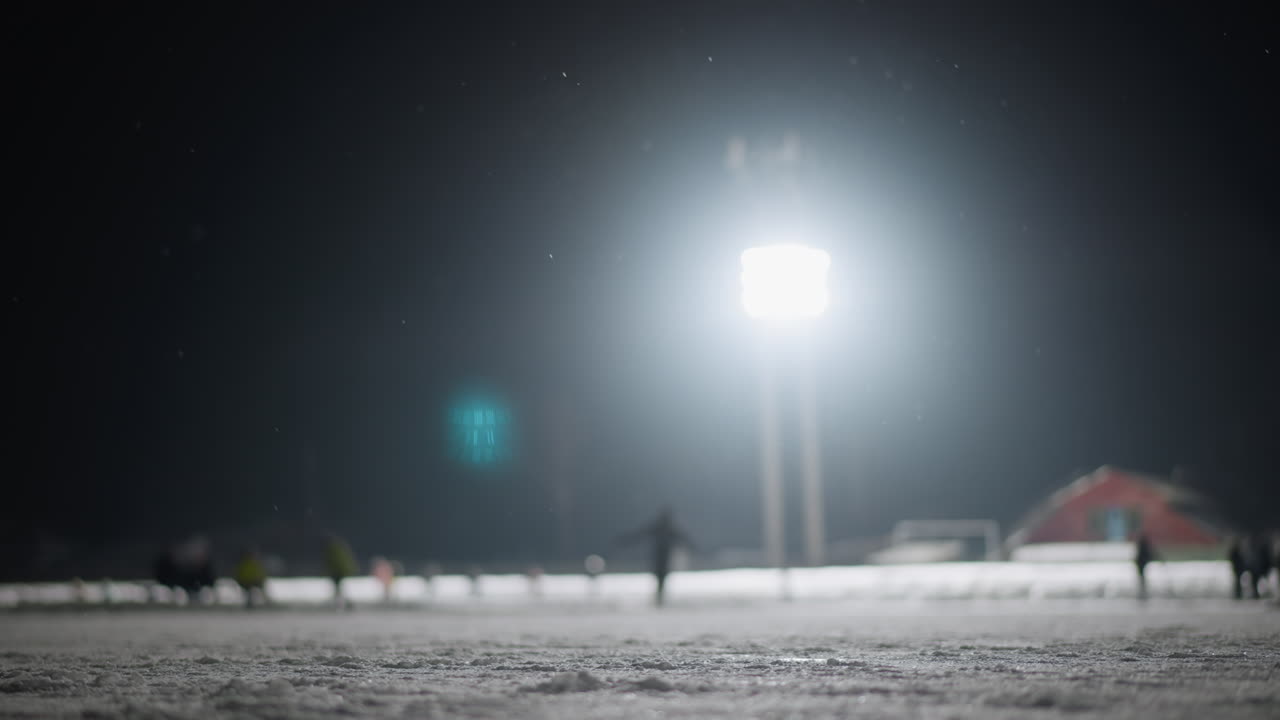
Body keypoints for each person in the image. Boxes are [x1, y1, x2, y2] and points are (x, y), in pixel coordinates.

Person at [616, 506, 694, 607]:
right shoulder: (661, 528)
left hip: (664, 559)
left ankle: (659, 599)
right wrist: (625, 540)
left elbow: (685, 540)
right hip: (659, 559)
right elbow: (639, 535)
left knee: (661, 579)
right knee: (660, 579)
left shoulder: (668, 529)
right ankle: (659, 599)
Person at [324, 535, 359, 609]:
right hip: (340, 574)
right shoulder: (339, 550)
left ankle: (341, 604)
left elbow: (335, 563)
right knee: (340, 590)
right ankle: (341, 604)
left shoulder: (334, 550)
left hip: (338, 574)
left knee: (340, 590)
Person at [1133, 532, 1157, 600]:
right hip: (1141, 563)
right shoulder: (1143, 545)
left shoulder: (1141, 544)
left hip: (1140, 563)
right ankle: (1142, 589)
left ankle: (1142, 589)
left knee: (1141, 577)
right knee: (1142, 577)